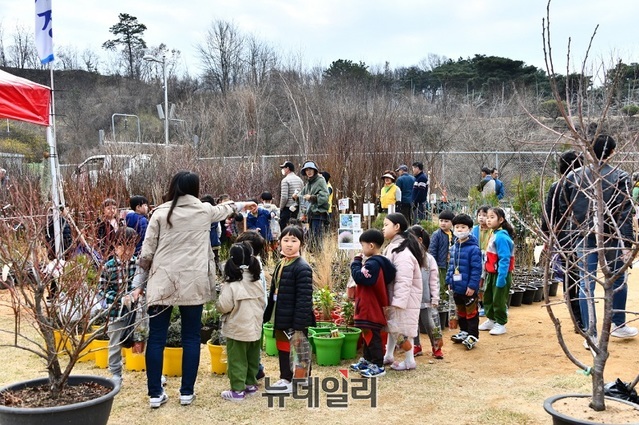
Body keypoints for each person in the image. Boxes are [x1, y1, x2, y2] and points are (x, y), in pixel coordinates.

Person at [139, 171, 255, 408]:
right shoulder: (203, 211)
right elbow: (227, 208)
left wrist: (139, 285)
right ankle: (186, 392)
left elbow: (147, 253)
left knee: (157, 338)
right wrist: (246, 203)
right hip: (194, 283)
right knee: (191, 337)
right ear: (196, 188)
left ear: (173, 187)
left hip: (163, 282)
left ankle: (154, 394)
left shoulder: (159, 213)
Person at [558, 135, 638, 341]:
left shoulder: (573, 177)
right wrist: (626, 243)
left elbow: (563, 210)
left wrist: (569, 237)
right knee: (618, 279)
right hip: (611, 236)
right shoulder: (620, 176)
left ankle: (591, 334)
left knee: (587, 284)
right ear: (612, 152)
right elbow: (625, 212)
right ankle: (618, 324)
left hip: (582, 236)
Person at [263, 225, 315, 394]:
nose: (289, 244)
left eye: (294, 240)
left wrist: (299, 324)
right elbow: (273, 292)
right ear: (279, 242)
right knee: (283, 348)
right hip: (281, 316)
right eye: (285, 240)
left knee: (300, 350)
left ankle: (301, 380)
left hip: (295, 318)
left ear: (301, 243)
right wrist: (267, 315)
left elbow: (304, 299)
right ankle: (286, 377)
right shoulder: (281, 263)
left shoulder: (302, 267)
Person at [216, 242, 266, 401]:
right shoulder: (256, 281)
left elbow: (224, 306)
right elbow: (263, 302)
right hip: (255, 327)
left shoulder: (231, 284)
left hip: (237, 328)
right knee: (252, 357)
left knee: (237, 359)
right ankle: (250, 384)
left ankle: (237, 390)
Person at [540, 151, 583, 331]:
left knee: (570, 278)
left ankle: (577, 318)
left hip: (564, 239)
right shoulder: (585, 186)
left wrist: (547, 237)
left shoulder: (556, 186)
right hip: (583, 239)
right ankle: (582, 317)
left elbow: (548, 217)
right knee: (581, 279)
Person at [349, 229, 396, 378]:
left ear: (370, 246)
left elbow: (361, 278)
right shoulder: (376, 263)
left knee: (372, 335)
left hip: (370, 307)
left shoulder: (373, 264)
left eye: (362, 245)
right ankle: (368, 360)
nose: (361, 249)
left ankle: (378, 364)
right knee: (367, 333)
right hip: (367, 305)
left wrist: (355, 263)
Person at [99, 227, 142, 386]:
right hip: (116, 313)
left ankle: (153, 372)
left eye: (131, 246)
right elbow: (102, 291)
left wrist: (135, 295)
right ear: (115, 247)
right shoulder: (108, 266)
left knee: (142, 339)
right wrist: (119, 299)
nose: (128, 251)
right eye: (123, 246)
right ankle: (116, 373)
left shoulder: (137, 264)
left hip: (136, 312)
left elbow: (141, 283)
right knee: (115, 343)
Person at [381, 213, 424, 371]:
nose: (383, 228)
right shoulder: (396, 246)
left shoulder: (402, 251)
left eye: (386, 225)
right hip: (399, 297)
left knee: (404, 329)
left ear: (397, 227)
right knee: (394, 327)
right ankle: (388, 355)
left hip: (403, 299)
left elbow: (404, 279)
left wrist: (398, 301)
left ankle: (409, 360)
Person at [446, 214, 482, 349]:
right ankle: (464, 331)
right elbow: (451, 266)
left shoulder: (474, 249)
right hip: (457, 286)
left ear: (470, 229)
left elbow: (476, 269)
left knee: (471, 312)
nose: (460, 230)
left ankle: (473, 335)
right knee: (460, 310)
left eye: (463, 227)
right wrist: (449, 280)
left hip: (468, 288)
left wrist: (473, 285)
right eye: (457, 227)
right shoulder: (454, 247)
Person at [478, 207, 515, 336]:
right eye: (487, 217)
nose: (488, 220)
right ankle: (491, 319)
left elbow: (505, 259)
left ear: (501, 220)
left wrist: (502, 277)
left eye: (492, 217)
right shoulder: (493, 234)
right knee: (488, 296)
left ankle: (500, 322)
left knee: (498, 298)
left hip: (500, 274)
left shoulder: (501, 237)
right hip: (491, 273)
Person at [407, 225, 442, 359]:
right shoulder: (408, 257)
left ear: (420, 240)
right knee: (412, 323)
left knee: (430, 324)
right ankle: (416, 345)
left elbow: (434, 280)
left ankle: (437, 346)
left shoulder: (429, 259)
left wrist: (435, 297)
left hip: (426, 299)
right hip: (410, 299)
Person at [294, 161, 329, 250]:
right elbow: (302, 195)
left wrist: (312, 197)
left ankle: (319, 258)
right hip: (310, 215)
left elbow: (325, 197)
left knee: (317, 239)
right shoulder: (309, 183)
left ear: (315, 170)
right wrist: (296, 197)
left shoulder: (320, 180)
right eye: (306, 170)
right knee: (310, 238)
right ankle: (314, 258)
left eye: (310, 169)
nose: (308, 172)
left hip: (318, 214)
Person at [429, 209, 454, 308]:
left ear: (452, 223)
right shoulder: (437, 234)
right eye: (441, 220)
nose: (443, 223)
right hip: (440, 264)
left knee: (450, 282)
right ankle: (442, 301)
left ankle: (449, 301)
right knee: (441, 283)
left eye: (446, 221)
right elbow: (432, 250)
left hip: (451, 264)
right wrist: (433, 263)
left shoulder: (453, 234)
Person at [279, 161, 304, 230]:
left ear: (287, 168)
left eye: (283, 168)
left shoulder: (285, 180)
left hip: (287, 208)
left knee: (284, 228)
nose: (283, 170)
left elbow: (284, 197)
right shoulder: (300, 180)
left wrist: (281, 207)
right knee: (296, 228)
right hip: (297, 208)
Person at [201, 195, 222, 274]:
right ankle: (219, 273)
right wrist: (217, 238)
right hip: (214, 242)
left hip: (204, 242)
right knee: (216, 258)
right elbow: (219, 230)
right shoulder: (215, 217)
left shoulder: (201, 217)